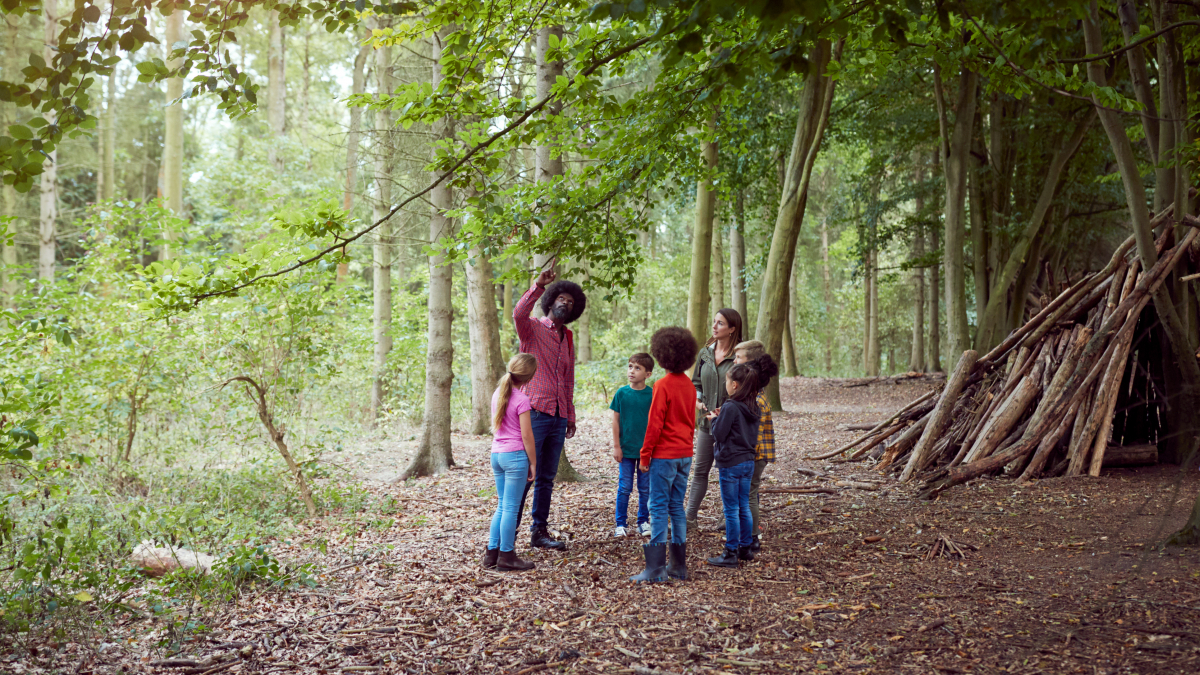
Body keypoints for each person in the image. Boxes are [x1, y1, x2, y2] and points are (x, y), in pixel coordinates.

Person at [512, 265, 587, 551]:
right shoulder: (531, 328)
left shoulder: (567, 338)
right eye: (561, 298)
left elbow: (568, 379)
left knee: (546, 478)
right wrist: (538, 285)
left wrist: (570, 415)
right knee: (525, 475)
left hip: (557, 417)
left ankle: (538, 532)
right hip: (533, 413)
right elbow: (518, 313)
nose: (565, 302)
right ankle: (509, 532)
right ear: (551, 300)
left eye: (570, 301)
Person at [631, 327, 700, 584]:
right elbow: (690, 422)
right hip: (684, 454)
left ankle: (656, 568)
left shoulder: (662, 385)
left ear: (661, 356)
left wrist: (645, 456)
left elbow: (654, 424)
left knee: (658, 507)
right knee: (676, 507)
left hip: (664, 456)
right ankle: (678, 566)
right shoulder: (690, 387)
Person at [686, 308, 744, 532]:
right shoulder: (705, 353)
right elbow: (696, 383)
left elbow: (747, 386)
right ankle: (689, 518)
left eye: (721, 323)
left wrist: (730, 407)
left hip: (732, 424)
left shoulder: (740, 355)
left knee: (728, 471)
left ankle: (727, 517)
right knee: (700, 470)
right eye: (714, 322)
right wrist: (698, 400)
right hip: (706, 423)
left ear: (732, 329)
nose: (715, 326)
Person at [483, 354, 539, 572]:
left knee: (502, 505)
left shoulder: (499, 393)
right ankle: (507, 556)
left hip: (497, 454)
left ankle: (491, 553)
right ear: (530, 376)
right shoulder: (522, 400)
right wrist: (533, 462)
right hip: (515, 456)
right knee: (510, 508)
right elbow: (527, 436)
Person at [705, 362, 762, 568]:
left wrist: (714, 419)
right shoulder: (753, 406)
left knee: (731, 509)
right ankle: (745, 548)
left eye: (728, 381)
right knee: (744, 505)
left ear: (735, 385)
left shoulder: (731, 406)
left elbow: (719, 434)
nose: (726, 385)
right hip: (748, 462)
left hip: (731, 463)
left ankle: (730, 552)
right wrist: (722, 417)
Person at [732, 342, 779, 553]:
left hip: (754, 454)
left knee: (750, 494)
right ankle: (748, 534)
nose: (734, 361)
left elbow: (753, 435)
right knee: (749, 493)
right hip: (754, 454)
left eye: (738, 357)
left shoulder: (757, 400)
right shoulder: (754, 396)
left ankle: (752, 538)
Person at [610, 353, 655, 538]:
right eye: (630, 366)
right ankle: (620, 524)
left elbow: (656, 422)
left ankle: (643, 522)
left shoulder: (652, 394)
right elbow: (614, 420)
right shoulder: (621, 393)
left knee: (645, 488)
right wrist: (616, 446)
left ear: (648, 374)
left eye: (637, 368)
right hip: (626, 449)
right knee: (624, 487)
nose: (632, 371)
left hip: (646, 451)